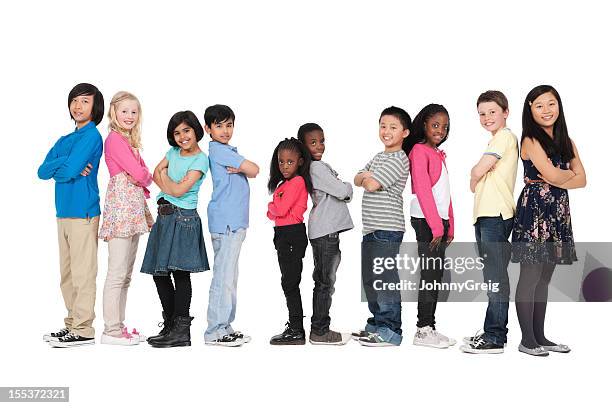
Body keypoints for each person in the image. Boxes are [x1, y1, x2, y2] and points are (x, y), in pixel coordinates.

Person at [512, 85, 586, 357]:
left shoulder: (567, 140)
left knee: (545, 276)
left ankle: (540, 336)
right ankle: (527, 340)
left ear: (559, 106)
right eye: (539, 105)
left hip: (557, 211)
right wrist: (563, 175)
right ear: (530, 109)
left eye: (551, 104)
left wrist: (557, 175)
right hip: (535, 210)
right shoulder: (530, 140)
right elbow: (561, 177)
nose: (546, 110)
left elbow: (583, 179)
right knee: (530, 275)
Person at [38, 83, 104, 347]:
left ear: (95, 106)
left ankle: (84, 329)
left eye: (85, 101)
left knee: (83, 272)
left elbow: (67, 171)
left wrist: (65, 166)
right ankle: (72, 324)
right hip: (62, 212)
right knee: (66, 274)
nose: (78, 106)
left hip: (83, 212)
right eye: (75, 101)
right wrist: (64, 162)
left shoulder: (92, 136)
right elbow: (42, 171)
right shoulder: (64, 140)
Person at [140, 111, 210, 348]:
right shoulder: (173, 152)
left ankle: (182, 331)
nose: (182, 136)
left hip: (184, 219)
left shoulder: (200, 160)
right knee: (159, 272)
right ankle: (170, 324)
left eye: (186, 130)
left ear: (196, 130)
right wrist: (171, 186)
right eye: (177, 132)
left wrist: (166, 183)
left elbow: (180, 191)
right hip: (164, 217)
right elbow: (154, 173)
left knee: (180, 273)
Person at [461, 90, 518, 354]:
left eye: (492, 111)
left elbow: (476, 172)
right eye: (482, 114)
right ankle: (492, 332)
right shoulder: (496, 141)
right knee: (491, 277)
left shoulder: (504, 137)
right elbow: (480, 174)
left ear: (505, 112)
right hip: (486, 215)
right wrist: (479, 175)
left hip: (495, 215)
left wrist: (475, 176)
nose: (486, 117)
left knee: (495, 278)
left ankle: (495, 336)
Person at [353, 106, 411, 347]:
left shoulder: (399, 158)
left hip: (388, 228)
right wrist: (366, 176)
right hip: (371, 229)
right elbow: (357, 178)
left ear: (405, 133)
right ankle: (376, 324)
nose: (386, 131)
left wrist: (368, 177)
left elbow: (371, 184)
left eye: (393, 127)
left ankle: (390, 330)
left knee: (385, 278)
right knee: (371, 279)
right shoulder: (379, 156)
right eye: (383, 126)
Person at [99, 91, 153, 346]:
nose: (129, 116)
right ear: (114, 113)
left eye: (133, 112)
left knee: (126, 275)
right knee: (117, 272)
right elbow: (140, 174)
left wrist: (142, 174)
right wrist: (142, 174)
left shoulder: (130, 142)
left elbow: (145, 175)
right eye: (124, 111)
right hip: (121, 210)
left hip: (131, 210)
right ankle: (111, 330)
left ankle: (118, 326)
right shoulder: (114, 140)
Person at [204, 105, 260, 346]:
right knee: (223, 278)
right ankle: (215, 331)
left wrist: (242, 168)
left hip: (234, 222)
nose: (225, 130)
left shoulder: (227, 150)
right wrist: (243, 168)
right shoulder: (218, 150)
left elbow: (251, 170)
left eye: (229, 125)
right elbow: (255, 169)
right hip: (227, 222)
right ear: (208, 129)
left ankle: (225, 325)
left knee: (230, 277)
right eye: (219, 126)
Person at [404, 104, 456, 349]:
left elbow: (446, 194)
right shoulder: (419, 150)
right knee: (429, 275)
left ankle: (429, 327)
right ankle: (423, 330)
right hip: (426, 221)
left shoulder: (437, 153)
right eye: (435, 125)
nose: (440, 130)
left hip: (438, 221)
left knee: (435, 275)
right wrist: (437, 227)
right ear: (424, 124)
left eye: (444, 127)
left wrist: (450, 225)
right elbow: (423, 191)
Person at [298, 123, 353, 345]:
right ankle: (320, 331)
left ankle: (320, 328)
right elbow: (342, 191)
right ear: (303, 146)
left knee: (324, 281)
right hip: (325, 232)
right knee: (325, 282)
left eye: (322, 141)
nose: (319, 145)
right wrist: (347, 185)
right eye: (313, 142)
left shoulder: (316, 166)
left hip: (325, 231)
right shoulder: (316, 168)